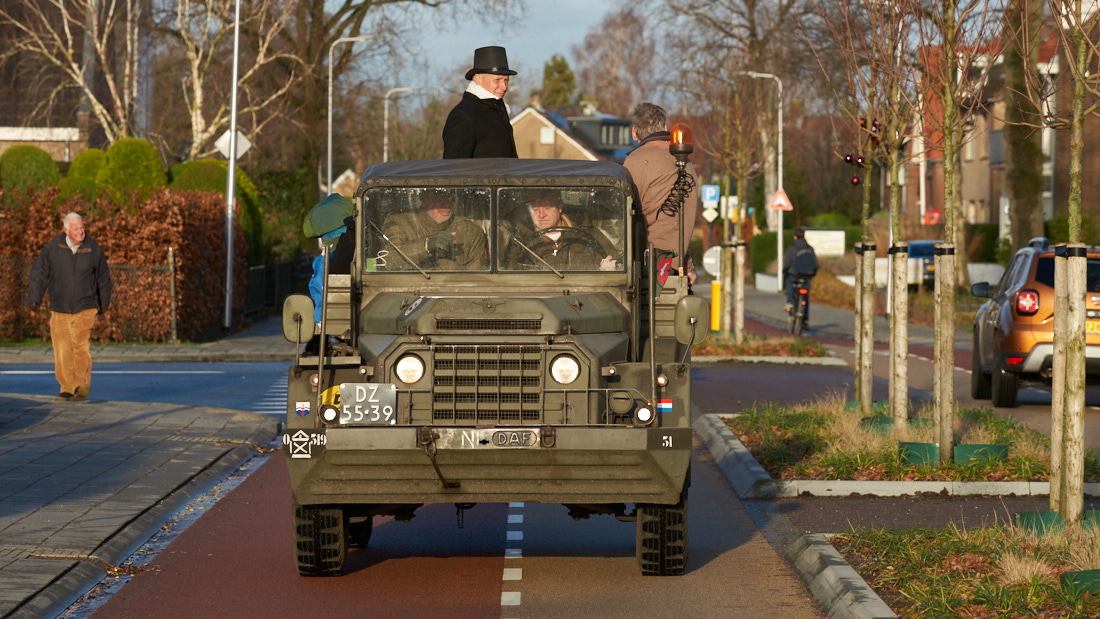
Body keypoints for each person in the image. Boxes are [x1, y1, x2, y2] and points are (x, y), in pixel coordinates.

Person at [26, 212, 113, 402]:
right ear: (66, 230)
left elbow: (103, 277)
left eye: (82, 227)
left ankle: (81, 384)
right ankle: (66, 388)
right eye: (76, 229)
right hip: (59, 307)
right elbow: (39, 273)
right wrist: (34, 299)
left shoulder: (93, 247)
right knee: (63, 348)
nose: (81, 231)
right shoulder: (53, 248)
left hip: (86, 306)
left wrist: (104, 303)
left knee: (81, 345)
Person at [622, 102, 700, 285]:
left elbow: (624, 218)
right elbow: (678, 220)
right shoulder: (686, 162)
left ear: (634, 133)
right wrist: (686, 264)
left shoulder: (634, 162)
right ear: (665, 128)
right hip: (676, 267)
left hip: (646, 269)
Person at [505, 190, 618, 271]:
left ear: (559, 207)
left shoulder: (587, 232)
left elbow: (617, 261)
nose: (541, 215)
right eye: (535, 209)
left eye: (547, 208)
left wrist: (610, 267)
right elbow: (510, 275)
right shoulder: (521, 241)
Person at [382, 189, 488, 270]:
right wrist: (426, 245)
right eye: (439, 197)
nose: (447, 203)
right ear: (424, 200)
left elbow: (478, 277)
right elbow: (389, 261)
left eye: (450, 197)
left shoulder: (469, 232)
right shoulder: (401, 223)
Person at [442, 46, 518, 159]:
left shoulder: (498, 109)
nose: (504, 87)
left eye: (506, 80)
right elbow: (454, 168)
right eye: (497, 80)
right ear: (478, 79)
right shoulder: (464, 114)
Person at [782, 227, 819, 325]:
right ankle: (805, 320)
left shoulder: (792, 248)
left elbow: (787, 263)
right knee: (805, 297)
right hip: (807, 276)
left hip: (795, 274)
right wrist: (813, 274)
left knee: (790, 281)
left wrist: (784, 271)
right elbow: (815, 264)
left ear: (795, 237)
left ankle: (790, 301)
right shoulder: (809, 248)